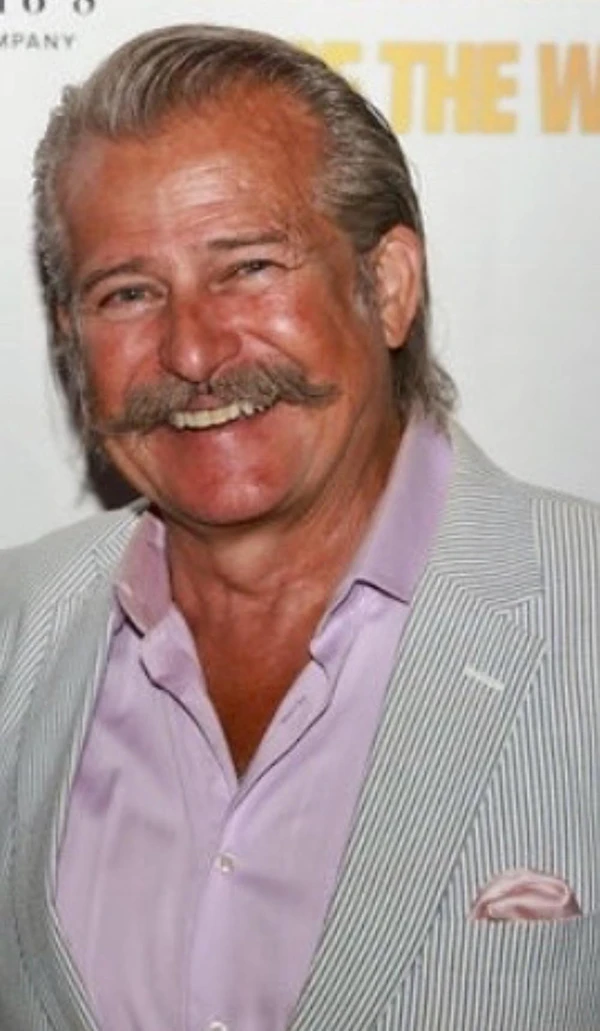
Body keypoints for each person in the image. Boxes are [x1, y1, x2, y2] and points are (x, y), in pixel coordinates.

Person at [0, 23, 598, 1031]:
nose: (193, 352)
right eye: (129, 292)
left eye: (248, 268)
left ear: (389, 286)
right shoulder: (15, 628)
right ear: (71, 339)